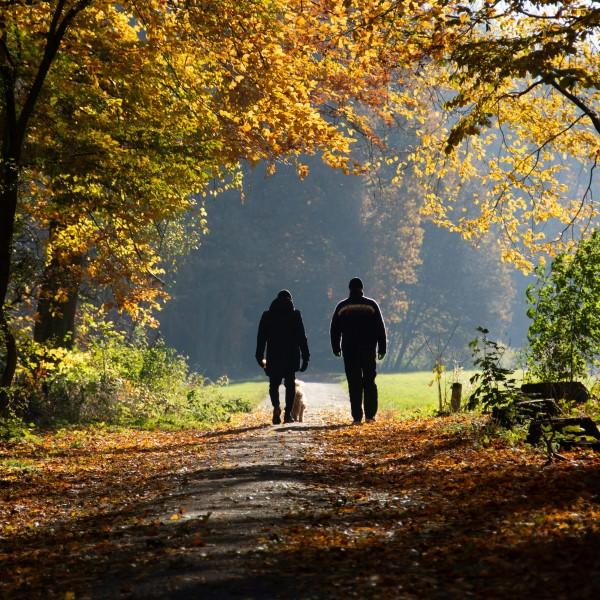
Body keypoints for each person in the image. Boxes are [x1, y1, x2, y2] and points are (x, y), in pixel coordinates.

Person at [330, 277, 386, 424]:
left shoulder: (342, 306)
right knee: (369, 381)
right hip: (368, 349)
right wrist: (382, 348)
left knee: (353, 382)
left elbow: (334, 329)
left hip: (349, 349)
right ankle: (370, 415)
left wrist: (336, 347)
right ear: (362, 288)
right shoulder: (371, 305)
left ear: (349, 289)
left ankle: (356, 416)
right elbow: (380, 328)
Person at [256, 290, 310, 424]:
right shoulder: (295, 314)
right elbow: (302, 337)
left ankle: (276, 408)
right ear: (290, 300)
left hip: (273, 355)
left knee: (273, 384)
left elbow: (261, 338)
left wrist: (259, 356)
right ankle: (287, 414)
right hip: (291, 355)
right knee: (290, 385)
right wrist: (306, 357)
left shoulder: (267, 315)